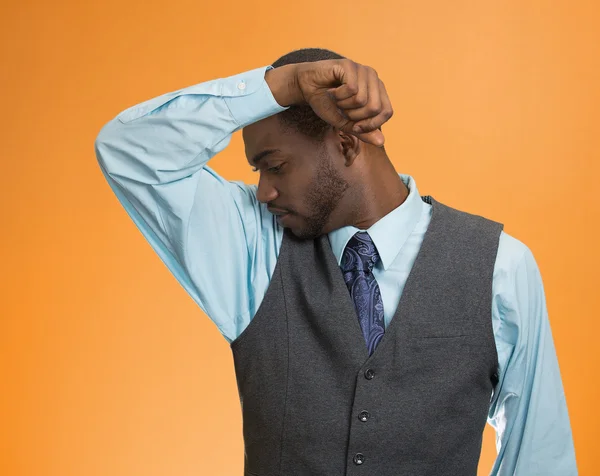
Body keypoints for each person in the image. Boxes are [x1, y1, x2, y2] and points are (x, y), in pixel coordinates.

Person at [94, 48, 578, 475]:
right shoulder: (254, 244)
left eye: (275, 165)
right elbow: (129, 150)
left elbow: (538, 457)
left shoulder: (500, 267)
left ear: (346, 146)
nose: (264, 191)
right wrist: (283, 85)